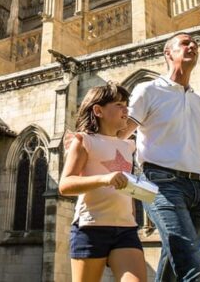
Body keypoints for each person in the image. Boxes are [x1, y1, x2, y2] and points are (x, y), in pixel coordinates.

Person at [120, 33, 200, 282]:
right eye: (185, 43)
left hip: (198, 187)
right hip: (160, 183)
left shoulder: (196, 99)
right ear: (168, 53)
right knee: (192, 264)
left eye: (195, 44)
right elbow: (122, 133)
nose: (192, 46)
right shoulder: (148, 90)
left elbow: (196, 152)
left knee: (173, 258)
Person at [59, 83, 147, 282]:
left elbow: (126, 189)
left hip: (126, 229)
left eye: (127, 105)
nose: (126, 110)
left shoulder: (128, 146)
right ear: (98, 110)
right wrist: (105, 179)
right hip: (91, 228)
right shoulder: (83, 140)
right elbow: (65, 185)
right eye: (119, 105)